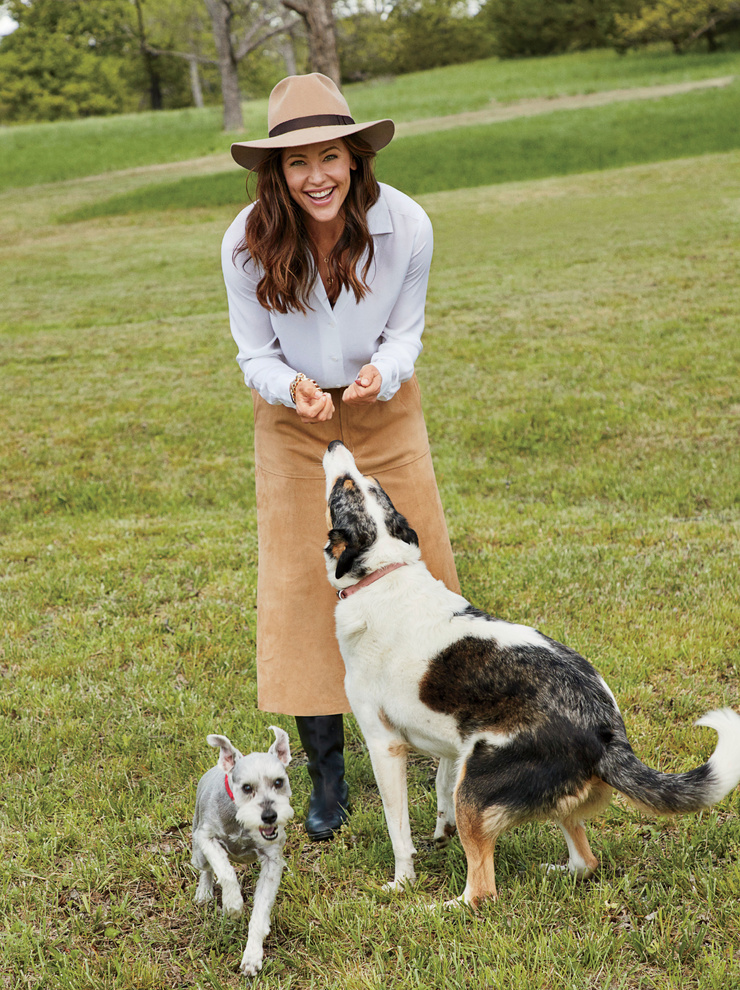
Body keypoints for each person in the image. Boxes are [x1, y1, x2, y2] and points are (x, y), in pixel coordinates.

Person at [221, 72, 459, 842]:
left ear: (355, 157)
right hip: (292, 418)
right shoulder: (244, 241)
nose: (315, 175)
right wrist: (293, 386)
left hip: (383, 405)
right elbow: (251, 352)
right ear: (275, 173)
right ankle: (326, 773)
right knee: (301, 590)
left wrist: (378, 375)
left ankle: (446, 752)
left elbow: (406, 332)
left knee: (421, 576)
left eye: (329, 156)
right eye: (296, 163)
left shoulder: (408, 225)